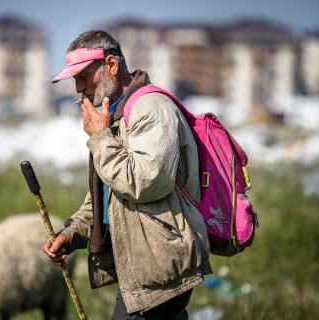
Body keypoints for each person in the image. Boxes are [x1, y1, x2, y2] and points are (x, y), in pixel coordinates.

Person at [44, 30, 212, 320]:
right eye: (75, 80)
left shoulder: (152, 108)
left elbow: (145, 183)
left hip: (161, 265)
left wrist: (99, 138)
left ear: (111, 65)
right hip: (139, 262)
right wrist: (71, 234)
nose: (79, 88)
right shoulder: (116, 116)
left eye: (84, 76)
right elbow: (108, 193)